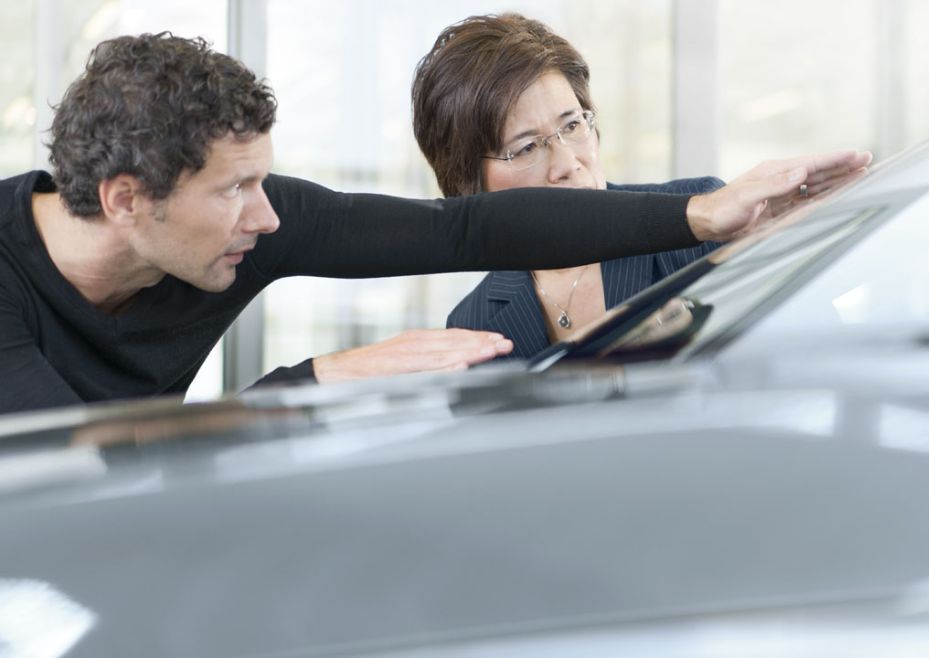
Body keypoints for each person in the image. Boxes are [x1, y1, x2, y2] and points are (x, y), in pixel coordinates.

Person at [0, 32, 828, 415]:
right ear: (123, 201)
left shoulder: (248, 224)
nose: (267, 212)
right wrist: (313, 383)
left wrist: (701, 213)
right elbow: (73, 462)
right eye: (233, 190)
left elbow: (464, 231)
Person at [412, 13, 871, 358]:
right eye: (528, 147)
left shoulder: (707, 218)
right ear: (470, 183)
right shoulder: (471, 324)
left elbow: (816, 365)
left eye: (573, 126)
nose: (568, 163)